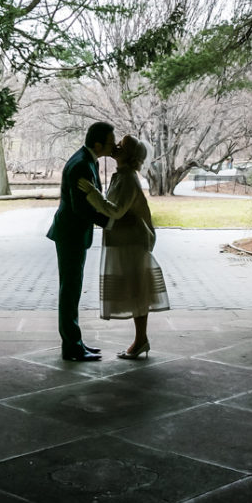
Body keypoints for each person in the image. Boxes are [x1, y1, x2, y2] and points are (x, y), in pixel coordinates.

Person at [77, 134, 169, 359]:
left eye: (122, 145)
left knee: (138, 290)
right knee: (135, 289)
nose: (117, 146)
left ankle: (140, 341)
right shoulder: (122, 176)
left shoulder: (128, 180)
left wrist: (92, 193)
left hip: (132, 242)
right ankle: (141, 340)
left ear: (129, 155)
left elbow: (115, 211)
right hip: (124, 240)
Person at [46, 121, 116, 361]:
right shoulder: (81, 165)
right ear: (98, 144)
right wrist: (109, 223)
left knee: (71, 288)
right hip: (70, 234)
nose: (114, 145)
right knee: (70, 290)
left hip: (72, 233)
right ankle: (72, 347)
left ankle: (75, 342)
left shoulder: (87, 161)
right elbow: (80, 209)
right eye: (110, 142)